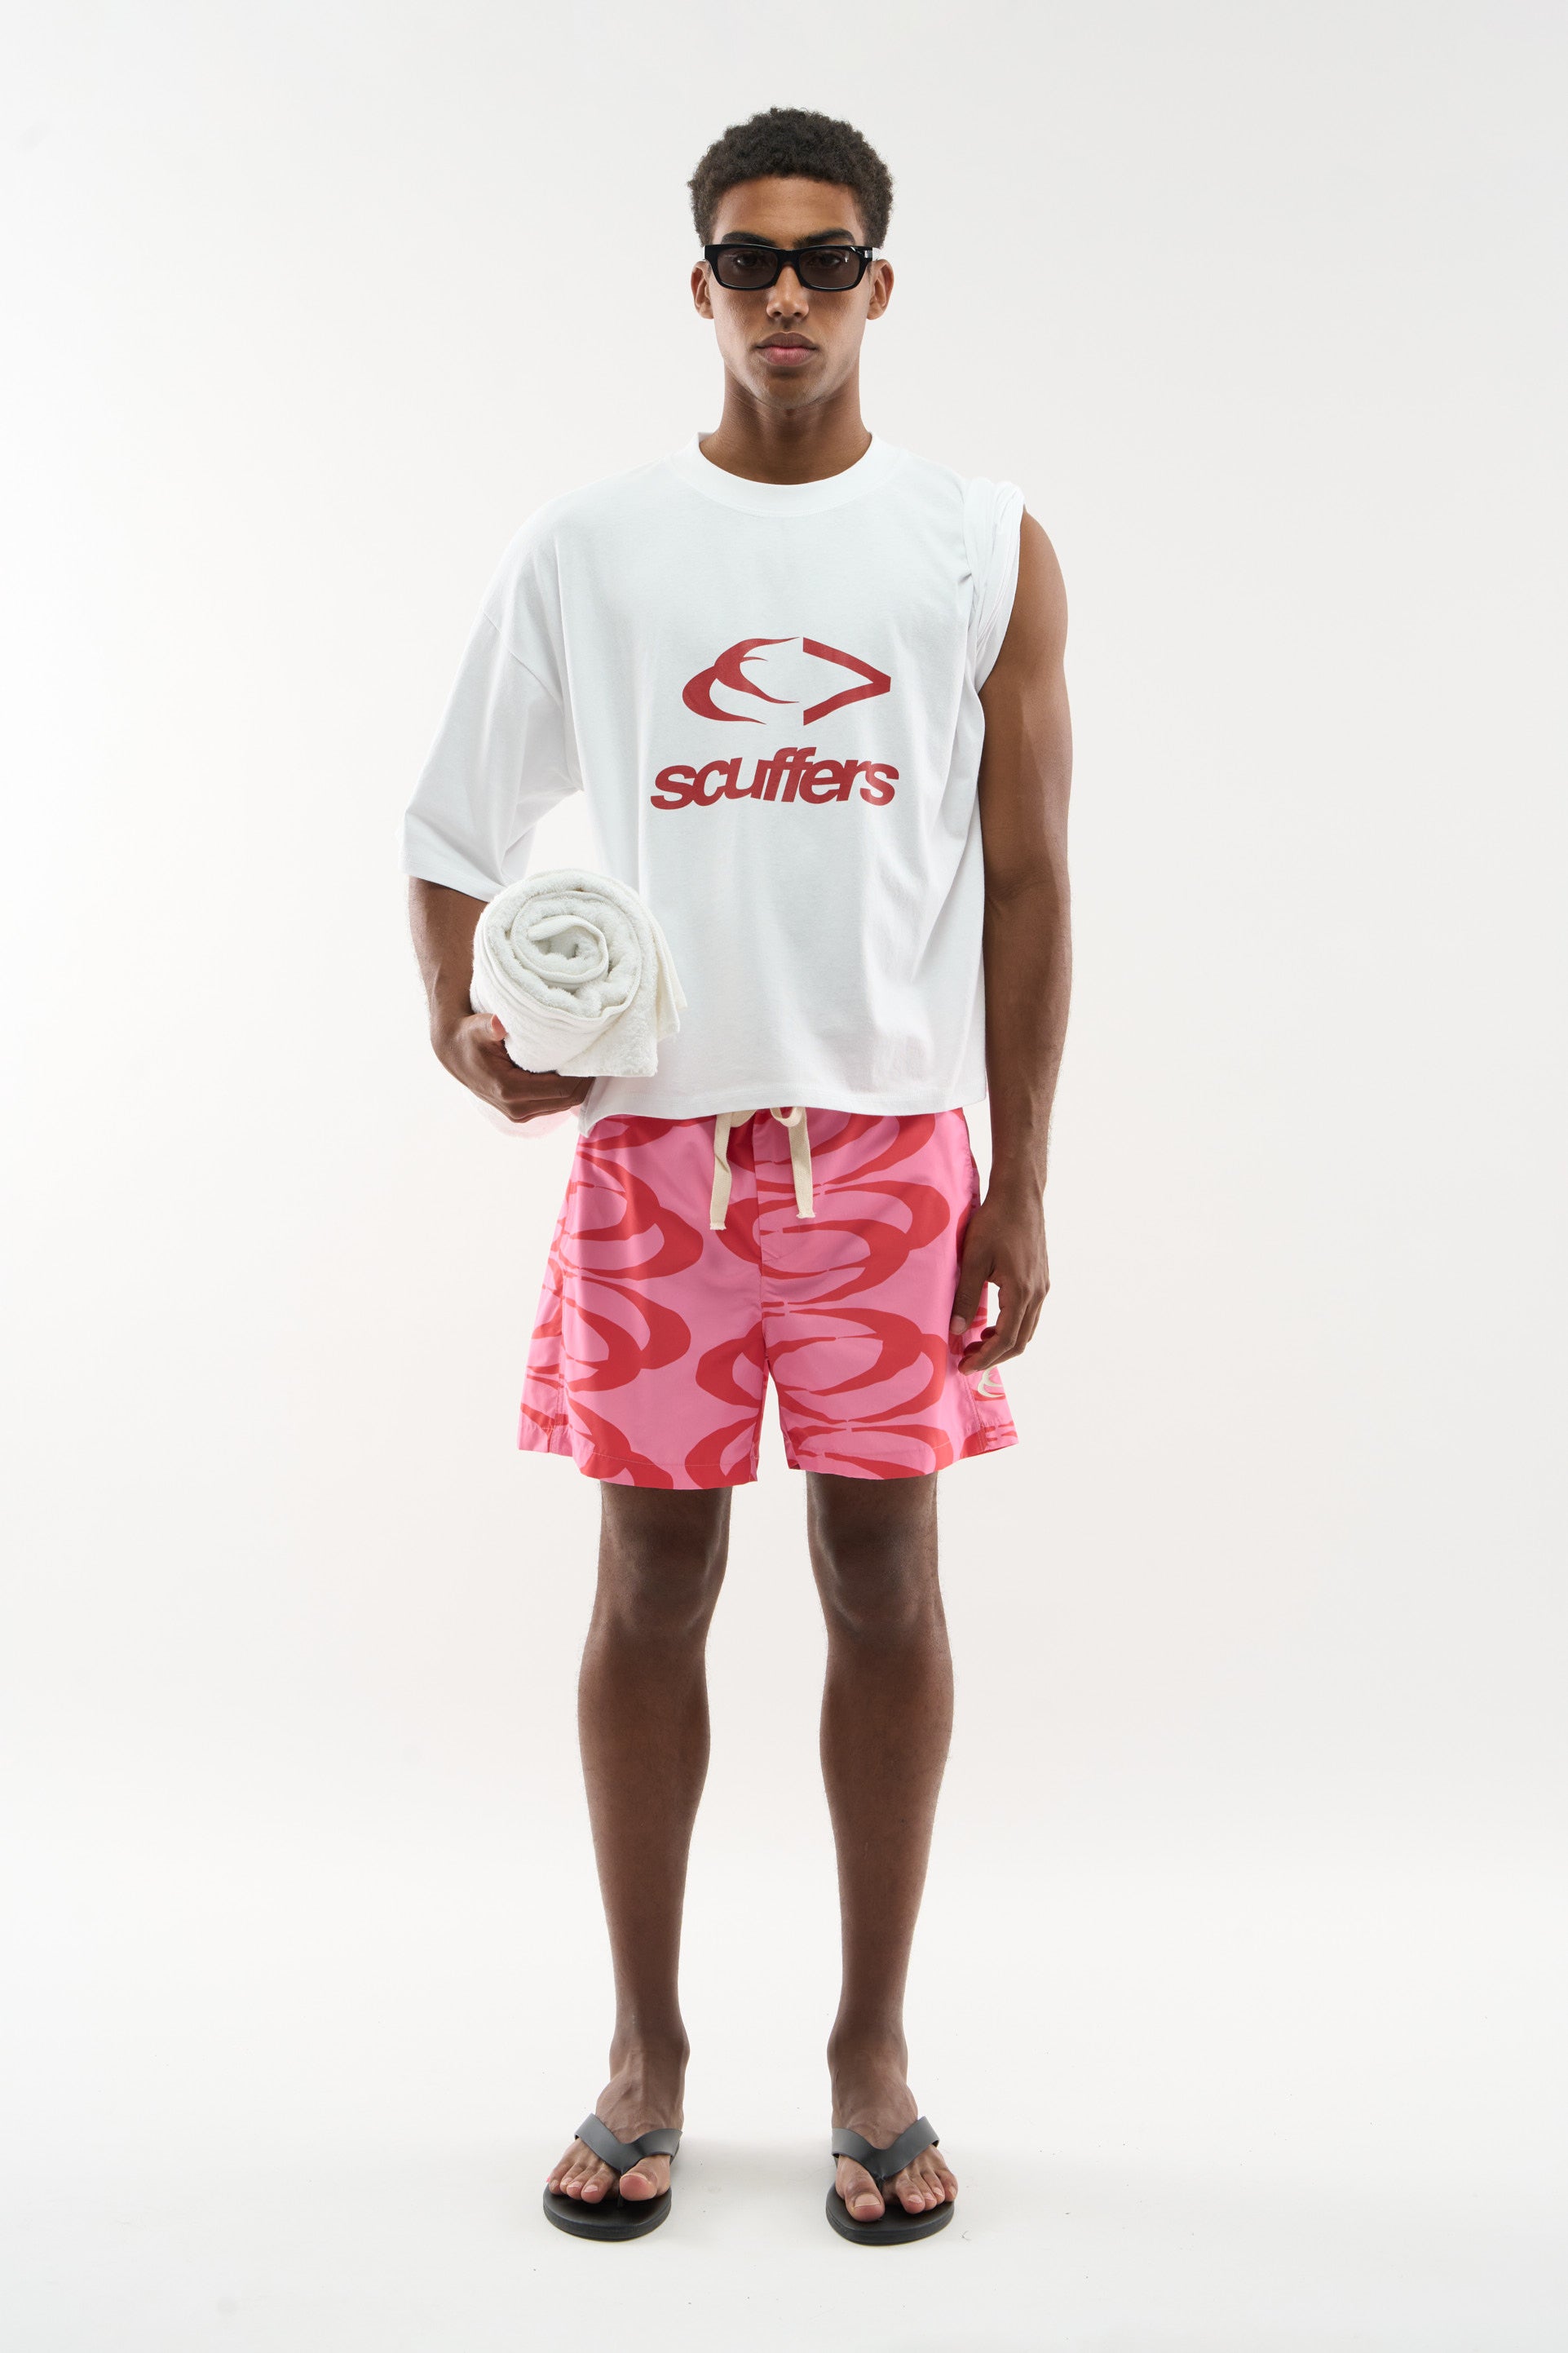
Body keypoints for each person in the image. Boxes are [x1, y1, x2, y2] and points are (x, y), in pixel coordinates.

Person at [402, 105, 1071, 2245]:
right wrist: (467, 1033)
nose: (788, 291)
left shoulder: (977, 545)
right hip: (658, 1160)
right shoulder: (593, 548)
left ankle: (871, 2051)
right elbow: (450, 827)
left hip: (885, 1151)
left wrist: (1019, 1178)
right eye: (750, 258)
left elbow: (1032, 881)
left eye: (826, 255)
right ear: (699, 288)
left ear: (880, 285)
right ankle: (645, 2052)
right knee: (650, 1586)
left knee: (886, 1580)